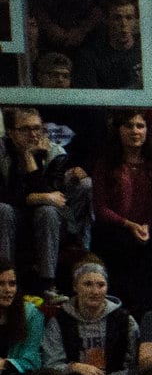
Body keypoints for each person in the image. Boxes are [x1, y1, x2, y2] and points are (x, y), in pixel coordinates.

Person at [40, 258, 139, 375]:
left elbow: (135, 367)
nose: (94, 291)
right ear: (75, 287)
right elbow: (51, 365)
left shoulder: (125, 321)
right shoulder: (60, 321)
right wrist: (75, 367)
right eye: (87, 284)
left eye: (100, 285)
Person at [1, 104, 87, 291]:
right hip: (14, 216)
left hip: (51, 221)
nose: (33, 135)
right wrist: (38, 197)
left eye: (37, 128)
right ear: (10, 133)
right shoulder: (3, 153)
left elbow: (55, 196)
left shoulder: (55, 152)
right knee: (3, 210)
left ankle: (47, 284)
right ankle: (4, 277)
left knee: (47, 212)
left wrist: (31, 161)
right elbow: (5, 195)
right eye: (25, 129)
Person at [93, 110, 152, 273]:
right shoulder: (105, 164)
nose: (135, 131)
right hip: (114, 232)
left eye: (140, 126)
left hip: (150, 232)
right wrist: (129, 225)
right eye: (129, 126)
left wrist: (147, 226)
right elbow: (100, 208)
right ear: (118, 130)